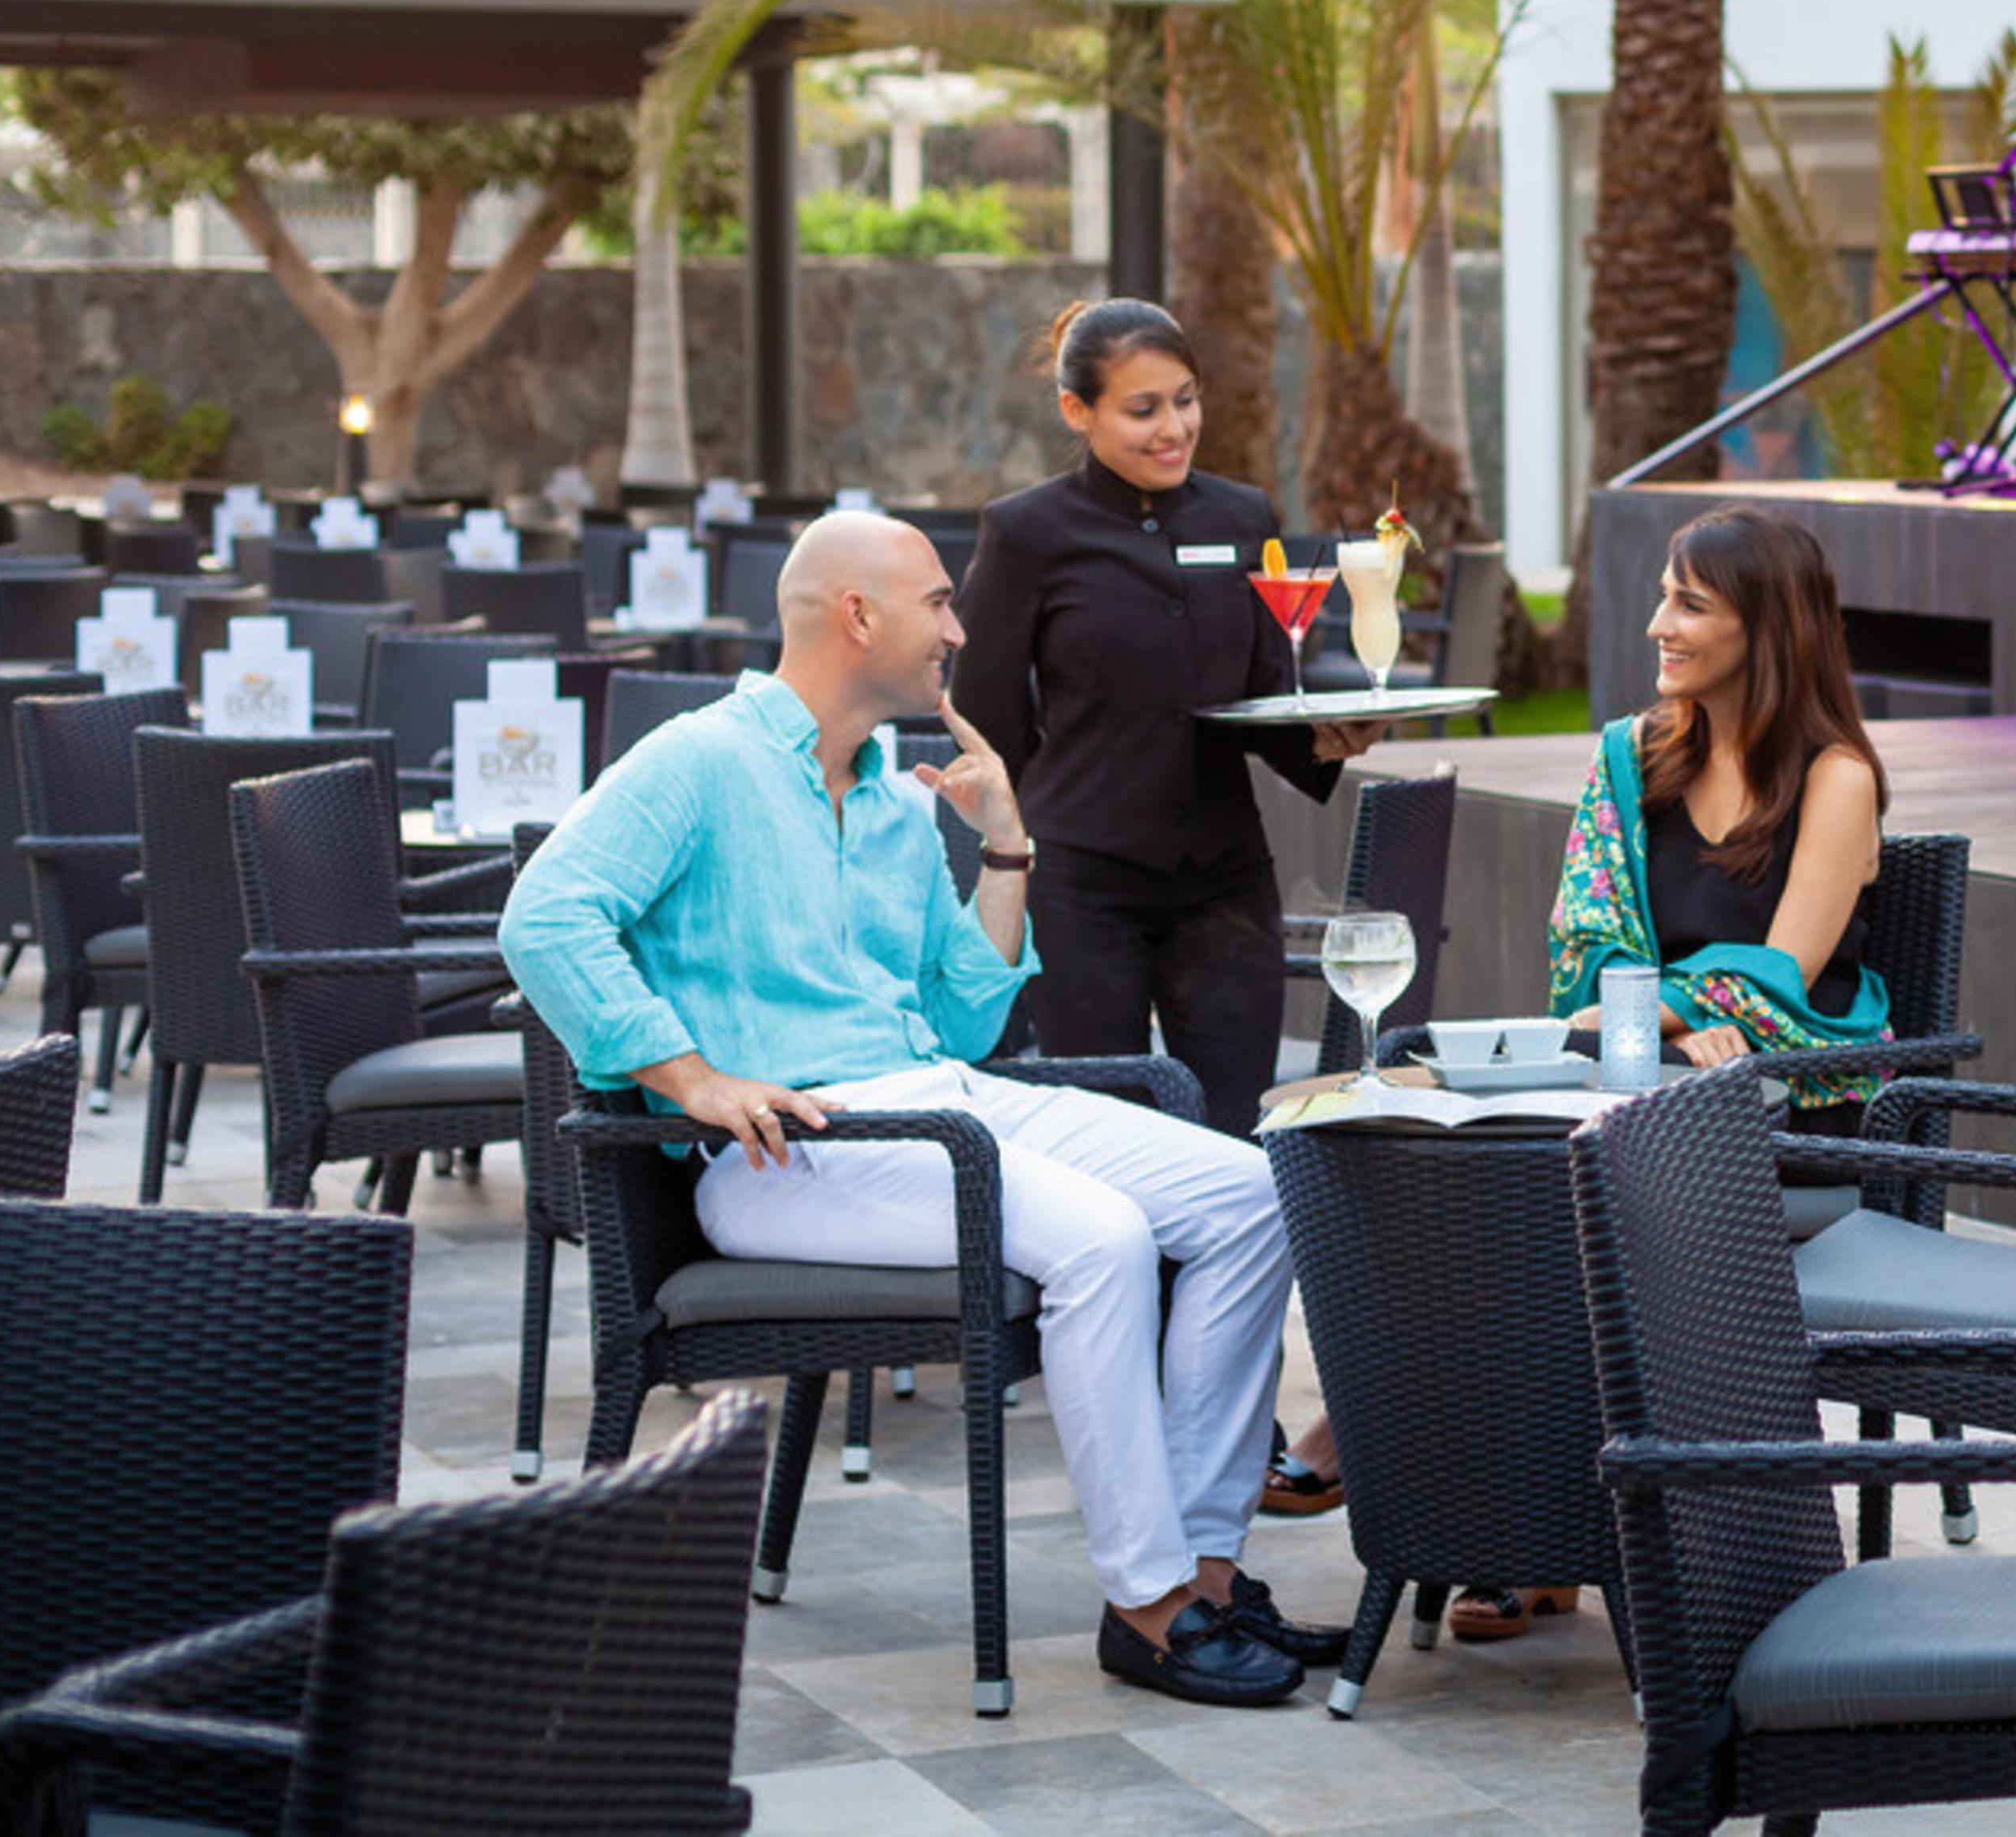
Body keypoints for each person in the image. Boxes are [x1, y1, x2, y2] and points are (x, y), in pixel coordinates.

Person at [499, 513, 1341, 1708]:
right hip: (792, 1150)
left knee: (1251, 1193)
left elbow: (963, 1025)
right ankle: (1147, 1608)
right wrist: (690, 1076)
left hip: (934, 1102)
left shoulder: (898, 806)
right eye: (938, 604)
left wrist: (1006, 848)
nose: (959, 629)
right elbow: (545, 918)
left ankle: (1205, 1573)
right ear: (857, 616)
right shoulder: (700, 761)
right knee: (1101, 1241)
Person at [953, 295, 1375, 1519]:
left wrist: (1331, 739)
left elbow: (1264, 693)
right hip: (1083, 878)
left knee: (1233, 1146)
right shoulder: (1027, 532)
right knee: (1101, 1139)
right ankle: (1114, 1392)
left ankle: (1216, 1417)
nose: (1171, 427)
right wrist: (1024, 836)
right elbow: (988, 709)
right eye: (1142, 410)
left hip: (1220, 881)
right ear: (1078, 413)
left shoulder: (1240, 519)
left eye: (1184, 402)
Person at [1496, 501, 1892, 1645]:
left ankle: (1548, 1539)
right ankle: (1546, 1534)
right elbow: (1581, 953)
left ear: (1764, 628)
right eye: (1665, 595)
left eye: (1690, 603)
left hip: (1791, 1116)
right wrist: (1671, 1016)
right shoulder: (1630, 756)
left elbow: (1781, 977)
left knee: (1577, 1206)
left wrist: (1658, 1002)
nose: (1658, 623)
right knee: (1530, 1189)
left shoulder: (1834, 777)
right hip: (1640, 1092)